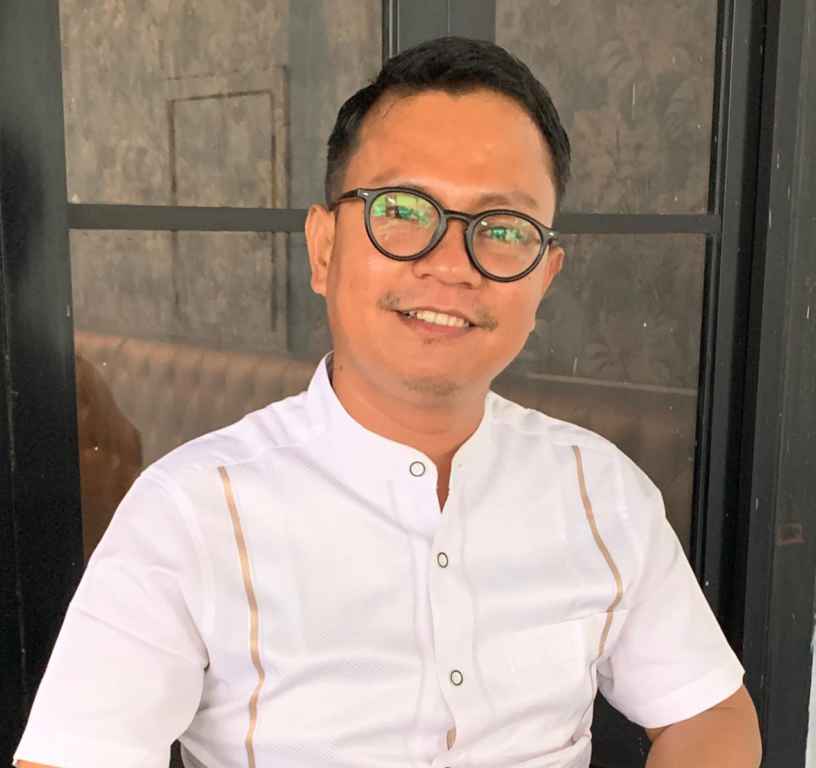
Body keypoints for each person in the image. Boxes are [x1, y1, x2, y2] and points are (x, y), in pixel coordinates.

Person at [15, 36, 761, 768]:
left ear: (544, 278)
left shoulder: (600, 489)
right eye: (403, 210)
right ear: (324, 249)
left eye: (504, 228)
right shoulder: (190, 512)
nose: (451, 265)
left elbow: (711, 713)